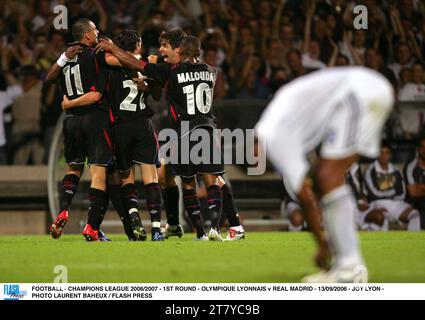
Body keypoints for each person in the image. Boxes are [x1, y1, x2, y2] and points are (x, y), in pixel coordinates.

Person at [256, 66, 395, 283]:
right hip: (368, 89)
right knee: (327, 176)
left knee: (328, 176)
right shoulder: (275, 119)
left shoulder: (273, 137)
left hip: (359, 93)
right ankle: (347, 264)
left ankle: (349, 265)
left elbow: (305, 198)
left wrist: (321, 246)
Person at [96, 31, 225, 241]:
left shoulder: (171, 72)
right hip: (208, 128)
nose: (161, 51)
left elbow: (138, 66)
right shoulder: (211, 70)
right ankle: (213, 228)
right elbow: (159, 91)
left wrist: (113, 49)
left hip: (184, 130)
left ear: (179, 49)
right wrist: (151, 83)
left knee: (188, 182)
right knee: (210, 179)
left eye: (165, 46)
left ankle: (200, 232)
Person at [63, 30, 165, 241]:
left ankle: (133, 214)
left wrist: (69, 103)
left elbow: (97, 95)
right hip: (143, 124)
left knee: (125, 177)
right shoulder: (143, 65)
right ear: (137, 45)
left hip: (119, 128)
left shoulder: (107, 69)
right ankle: (156, 229)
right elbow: (156, 92)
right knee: (151, 178)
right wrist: (148, 83)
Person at [45, 19, 127, 241]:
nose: (98, 32)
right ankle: (91, 227)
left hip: (70, 122)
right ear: (87, 35)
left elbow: (49, 78)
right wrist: (116, 50)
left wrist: (63, 59)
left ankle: (63, 210)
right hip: (94, 118)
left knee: (73, 170)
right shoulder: (95, 55)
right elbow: (120, 64)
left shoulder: (67, 57)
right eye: (95, 30)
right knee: (98, 174)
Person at [364, 144, 421, 231]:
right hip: (378, 203)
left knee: (415, 214)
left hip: (396, 203)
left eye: (386, 153)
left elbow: (402, 193)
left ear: (390, 155)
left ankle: (412, 243)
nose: (383, 156)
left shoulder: (396, 170)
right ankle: (383, 243)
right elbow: (373, 194)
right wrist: (394, 191)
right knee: (384, 217)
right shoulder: (370, 170)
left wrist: (386, 192)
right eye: (381, 153)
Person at [346, 162, 388, 231]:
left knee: (382, 215)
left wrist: (363, 198)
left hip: (360, 205)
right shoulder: (336, 175)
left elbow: (361, 190)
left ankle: (375, 235)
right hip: (350, 209)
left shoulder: (354, 168)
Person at [404, 136, 425, 230]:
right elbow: (413, 193)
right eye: (422, 147)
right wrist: (417, 188)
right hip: (413, 201)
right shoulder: (411, 166)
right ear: (418, 149)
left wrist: (420, 187)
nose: (424, 150)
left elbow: (417, 189)